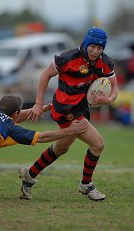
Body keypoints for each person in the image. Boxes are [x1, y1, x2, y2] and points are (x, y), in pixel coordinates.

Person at [18, 27, 118, 201]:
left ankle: (29, 174)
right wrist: (38, 104)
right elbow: (45, 75)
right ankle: (86, 184)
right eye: (93, 46)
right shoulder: (68, 57)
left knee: (61, 148)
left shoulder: (105, 62)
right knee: (98, 143)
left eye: (100, 48)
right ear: (86, 44)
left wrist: (108, 100)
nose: (96, 51)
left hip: (81, 108)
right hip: (64, 108)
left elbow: (115, 87)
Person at [0, 95, 88, 157]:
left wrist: (36, 110)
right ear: (15, 113)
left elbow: (10, 118)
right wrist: (72, 130)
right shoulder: (10, 129)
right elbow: (42, 137)